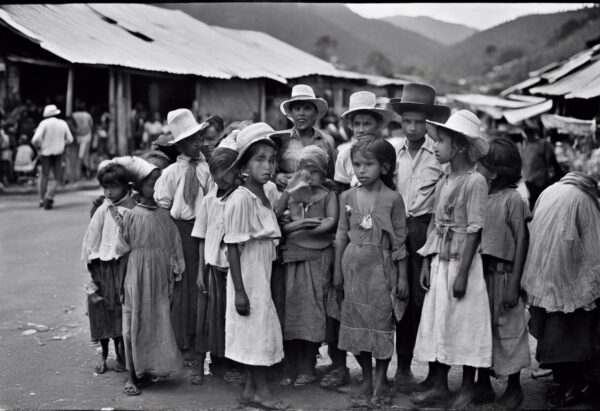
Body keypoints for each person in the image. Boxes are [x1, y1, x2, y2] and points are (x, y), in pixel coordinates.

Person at [412, 110, 492, 409]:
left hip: (463, 265)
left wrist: (462, 275)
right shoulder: (445, 179)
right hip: (440, 261)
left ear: (458, 146)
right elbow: (435, 222)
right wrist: (425, 262)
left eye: (441, 141)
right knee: (440, 321)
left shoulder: (475, 182)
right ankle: (441, 386)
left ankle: (468, 390)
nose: (435, 146)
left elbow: (474, 231)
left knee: (466, 323)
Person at [334, 138, 409, 408]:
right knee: (355, 325)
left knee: (381, 325)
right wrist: (337, 272)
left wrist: (402, 277)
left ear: (385, 167)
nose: (361, 170)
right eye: (356, 164)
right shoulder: (346, 197)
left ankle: (380, 380)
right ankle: (366, 377)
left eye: (369, 164)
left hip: (382, 270)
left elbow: (400, 240)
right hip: (352, 268)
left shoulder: (392, 199)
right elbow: (342, 235)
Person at [388, 82, 451, 393]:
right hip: (396, 230)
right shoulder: (392, 153)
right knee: (399, 298)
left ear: (429, 122)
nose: (412, 128)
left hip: (426, 231)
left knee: (424, 298)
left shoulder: (440, 154)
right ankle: (401, 367)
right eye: (406, 121)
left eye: (418, 122)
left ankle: (432, 372)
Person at [222, 122, 289, 410]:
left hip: (261, 270)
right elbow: (233, 248)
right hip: (247, 275)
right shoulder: (241, 199)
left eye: (272, 160)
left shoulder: (265, 193)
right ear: (244, 166)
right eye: (259, 159)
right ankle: (262, 392)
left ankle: (250, 389)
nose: (268, 166)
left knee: (255, 331)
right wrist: (239, 291)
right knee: (257, 331)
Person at [521, 171, 600, 408]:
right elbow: (595, 246)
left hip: (542, 273)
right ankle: (574, 385)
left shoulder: (549, 191)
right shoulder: (584, 200)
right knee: (572, 335)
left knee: (553, 334)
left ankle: (565, 382)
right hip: (567, 280)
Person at [118, 157, 185, 396]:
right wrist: (121, 283)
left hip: (159, 277)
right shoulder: (130, 216)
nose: (157, 187)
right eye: (152, 183)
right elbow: (123, 251)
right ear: (137, 187)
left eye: (159, 182)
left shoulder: (165, 216)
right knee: (131, 326)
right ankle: (131, 376)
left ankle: (149, 369)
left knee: (155, 322)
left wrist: (176, 272)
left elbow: (175, 245)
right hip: (135, 277)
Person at [273, 145, 339, 388]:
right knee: (291, 312)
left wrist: (300, 226)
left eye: (314, 170)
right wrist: (302, 224)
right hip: (292, 259)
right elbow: (276, 221)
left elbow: (331, 223)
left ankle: (307, 367)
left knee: (312, 314)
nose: (309, 175)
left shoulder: (328, 196)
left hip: (317, 260)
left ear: (324, 173)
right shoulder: (291, 194)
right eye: (304, 170)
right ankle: (291, 366)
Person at [153, 109, 213, 374]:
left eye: (199, 138)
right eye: (190, 140)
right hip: (179, 233)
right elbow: (163, 206)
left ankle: (200, 353)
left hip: (205, 231)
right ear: (178, 145)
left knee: (203, 292)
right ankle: (183, 348)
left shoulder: (206, 168)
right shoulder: (171, 173)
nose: (197, 144)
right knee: (182, 292)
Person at [475, 137, 532, 409]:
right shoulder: (480, 197)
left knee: (508, 333)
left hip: (505, 274)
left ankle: (514, 388)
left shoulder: (513, 200)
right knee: (483, 331)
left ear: (495, 172)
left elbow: (522, 240)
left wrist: (515, 284)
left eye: (480, 165)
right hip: (481, 276)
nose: (475, 169)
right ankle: (483, 385)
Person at [191, 132, 245, 386]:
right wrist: (201, 271)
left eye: (226, 172)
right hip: (213, 267)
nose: (220, 179)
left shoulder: (242, 198)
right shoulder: (209, 201)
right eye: (216, 174)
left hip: (235, 270)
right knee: (208, 318)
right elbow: (201, 236)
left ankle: (230, 364)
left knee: (231, 318)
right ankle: (202, 364)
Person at [81, 161, 136, 375]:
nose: (109, 191)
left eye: (113, 186)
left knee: (121, 312)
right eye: (106, 187)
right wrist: (92, 267)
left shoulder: (132, 208)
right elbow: (91, 239)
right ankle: (104, 355)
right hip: (103, 268)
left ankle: (121, 353)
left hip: (123, 267)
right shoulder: (103, 209)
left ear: (126, 186)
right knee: (102, 311)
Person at [274, 84, 337, 191]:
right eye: (297, 109)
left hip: (317, 202)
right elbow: (269, 171)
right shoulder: (281, 139)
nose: (301, 114)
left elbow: (332, 177)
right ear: (291, 113)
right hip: (287, 201)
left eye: (307, 109)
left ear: (315, 113)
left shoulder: (327, 141)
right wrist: (276, 177)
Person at [333, 91, 392, 191]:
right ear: (351, 125)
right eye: (357, 124)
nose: (361, 130)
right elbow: (341, 187)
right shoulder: (344, 153)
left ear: (378, 124)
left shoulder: (387, 151)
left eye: (367, 124)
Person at [31, 104, 74, 210]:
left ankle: (42, 199)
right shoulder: (62, 123)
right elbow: (70, 139)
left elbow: (35, 139)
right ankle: (49, 195)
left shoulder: (44, 123)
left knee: (44, 175)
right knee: (57, 177)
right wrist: (62, 143)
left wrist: (39, 147)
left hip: (45, 153)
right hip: (58, 152)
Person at [521, 124, 564, 210]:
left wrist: (560, 175)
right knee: (535, 202)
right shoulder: (525, 145)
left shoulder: (543, 144)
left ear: (534, 133)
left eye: (529, 133)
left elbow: (552, 161)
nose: (528, 135)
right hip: (530, 180)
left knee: (542, 203)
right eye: (527, 133)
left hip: (540, 180)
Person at [71, 101, 94, 179]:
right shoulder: (87, 115)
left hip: (77, 136)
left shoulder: (73, 115)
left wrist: (76, 132)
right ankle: (87, 173)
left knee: (78, 156)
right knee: (85, 155)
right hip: (87, 136)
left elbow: (71, 126)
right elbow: (91, 126)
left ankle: (79, 174)